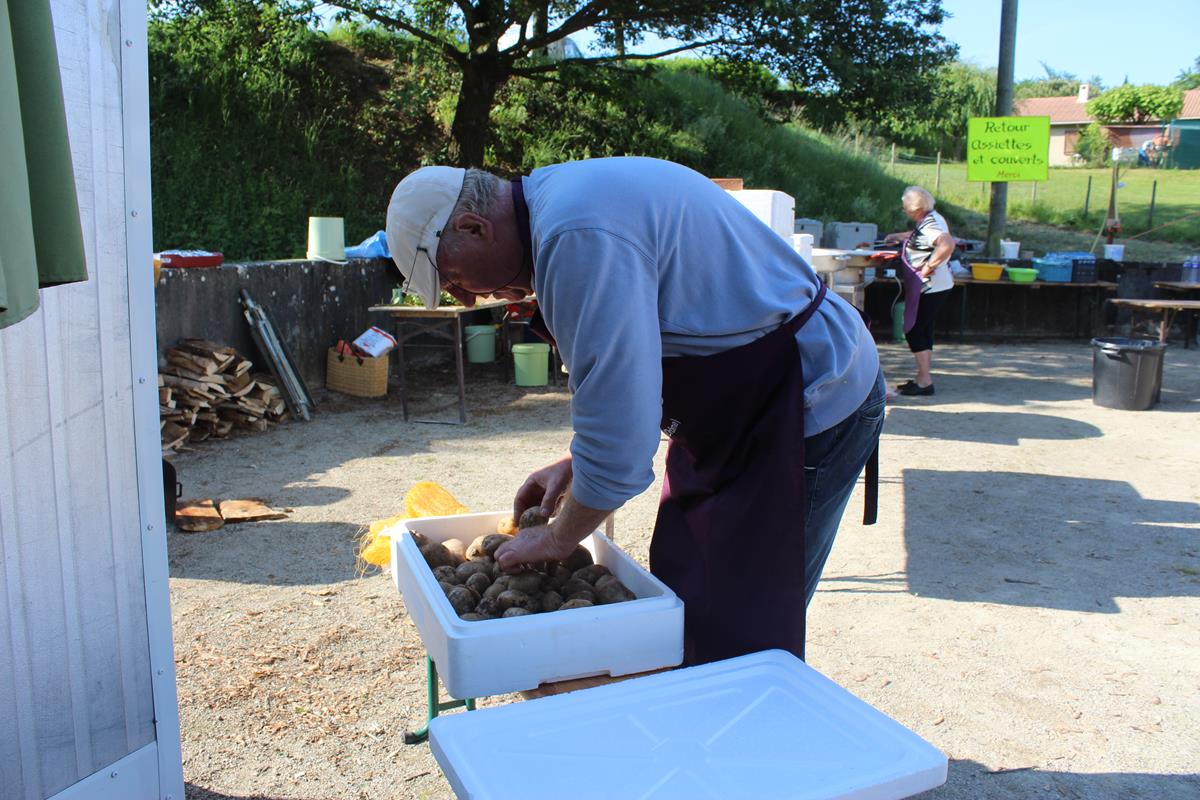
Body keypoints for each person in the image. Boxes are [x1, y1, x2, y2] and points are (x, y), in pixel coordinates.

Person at [384, 157, 885, 665]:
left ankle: (738, 721)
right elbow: (624, 385)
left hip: (807, 397)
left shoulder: (575, 236)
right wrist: (578, 462)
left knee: (743, 615)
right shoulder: (558, 207)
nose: (466, 298)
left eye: (453, 278)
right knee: (689, 581)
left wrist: (558, 538)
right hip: (734, 412)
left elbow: (620, 447)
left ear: (475, 227)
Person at [891, 186, 956, 397]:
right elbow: (920, 236)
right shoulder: (932, 218)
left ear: (915, 209)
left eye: (905, 209)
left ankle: (925, 381)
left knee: (914, 329)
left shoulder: (930, 224)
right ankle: (922, 377)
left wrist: (929, 266)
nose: (904, 212)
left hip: (929, 286)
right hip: (936, 286)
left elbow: (946, 243)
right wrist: (898, 236)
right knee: (924, 329)